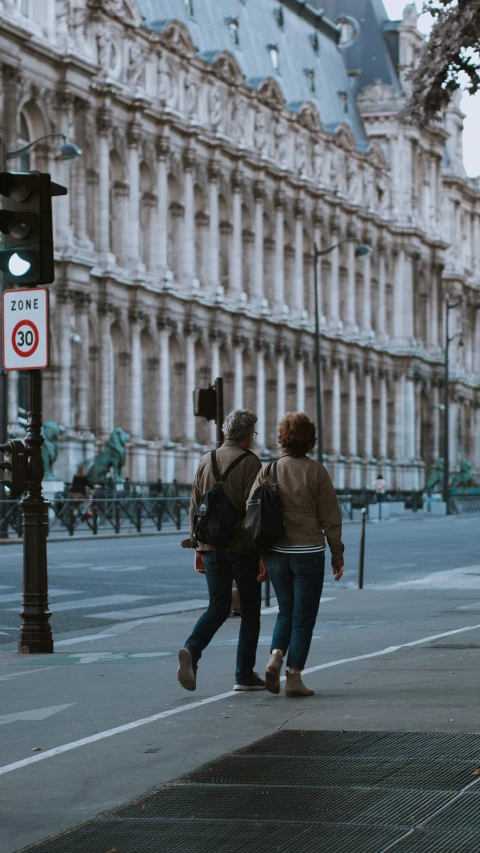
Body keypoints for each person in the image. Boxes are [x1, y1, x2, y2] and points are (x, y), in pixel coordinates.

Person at [249, 412, 344, 698]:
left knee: (285, 611)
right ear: (310, 441)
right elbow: (331, 518)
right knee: (304, 617)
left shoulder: (269, 470)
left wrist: (260, 555)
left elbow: (252, 511)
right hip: (308, 553)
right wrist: (337, 555)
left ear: (282, 440)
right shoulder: (317, 472)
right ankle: (293, 677)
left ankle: (275, 656)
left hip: (277, 552)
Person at [177, 410, 265, 693]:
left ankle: (192, 649)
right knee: (250, 611)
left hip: (212, 546)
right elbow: (257, 513)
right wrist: (262, 553)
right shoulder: (252, 462)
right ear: (247, 434)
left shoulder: (206, 459)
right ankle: (244, 674)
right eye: (254, 432)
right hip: (242, 548)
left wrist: (197, 547)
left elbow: (195, 506)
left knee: (217, 606)